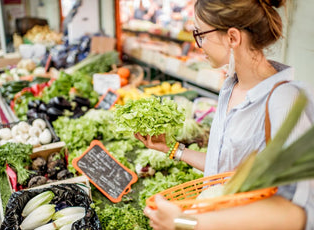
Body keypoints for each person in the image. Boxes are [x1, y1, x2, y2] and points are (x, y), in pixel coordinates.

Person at [134, 0, 314, 229]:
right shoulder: (231, 87)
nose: (198, 44)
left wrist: (184, 222)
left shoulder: (285, 100)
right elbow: (222, 172)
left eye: (201, 34)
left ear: (232, 38)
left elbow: (296, 212)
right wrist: (172, 149)